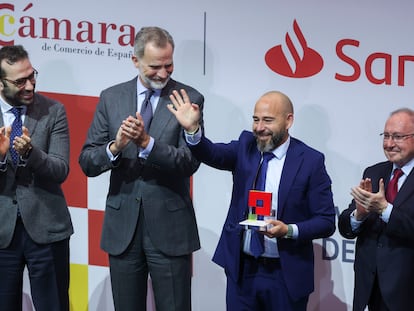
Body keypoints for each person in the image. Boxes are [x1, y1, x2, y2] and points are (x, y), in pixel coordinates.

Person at [168, 89, 336, 311]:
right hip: (243, 271)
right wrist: (192, 129)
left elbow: (326, 220)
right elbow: (212, 153)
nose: (259, 127)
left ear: (289, 121)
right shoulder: (247, 145)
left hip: (285, 275)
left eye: (268, 120)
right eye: (256, 119)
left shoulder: (311, 161)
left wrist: (288, 230)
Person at [78, 26, 204, 311]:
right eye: (154, 66)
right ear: (135, 61)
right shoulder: (111, 98)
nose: (163, 73)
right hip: (123, 230)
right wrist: (116, 146)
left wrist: (147, 143)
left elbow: (189, 162)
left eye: (168, 65)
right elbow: (87, 162)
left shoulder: (188, 99)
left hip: (171, 230)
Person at [0, 45, 73, 310]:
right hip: (2, 234)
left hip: (47, 228)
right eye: (20, 81)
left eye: (32, 76)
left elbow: (61, 169)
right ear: (0, 83)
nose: (30, 86)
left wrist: (31, 153)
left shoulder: (54, 111)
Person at [338, 108, 414, 311]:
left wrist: (384, 209)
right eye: (386, 136)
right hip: (370, 288)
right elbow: (346, 227)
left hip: (406, 292)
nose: (389, 144)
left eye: (397, 137)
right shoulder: (374, 172)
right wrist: (359, 215)